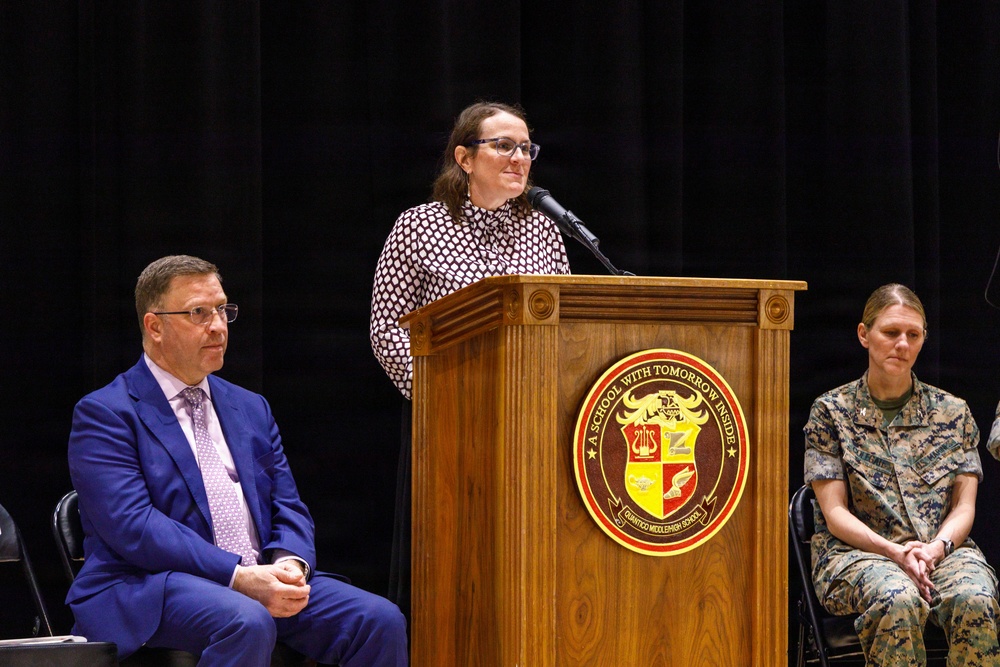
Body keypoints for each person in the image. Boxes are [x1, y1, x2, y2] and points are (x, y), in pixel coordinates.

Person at [67, 255, 407, 666]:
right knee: (245, 621)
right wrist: (237, 577)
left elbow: (288, 504)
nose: (218, 326)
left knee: (378, 619)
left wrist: (289, 563)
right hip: (149, 585)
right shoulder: (106, 412)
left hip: (259, 575)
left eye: (222, 310)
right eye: (198, 313)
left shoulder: (250, 407)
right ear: (154, 326)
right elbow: (134, 527)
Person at [370, 101, 571, 619]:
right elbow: (388, 330)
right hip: (452, 424)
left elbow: (568, 326)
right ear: (464, 157)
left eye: (526, 148)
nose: (519, 158)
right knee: (459, 564)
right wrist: (443, 398)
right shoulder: (420, 226)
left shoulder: (545, 229)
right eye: (503, 145)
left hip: (534, 425)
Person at [804, 283, 1000, 665]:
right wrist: (893, 551)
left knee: (975, 597)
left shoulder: (953, 413)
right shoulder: (831, 412)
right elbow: (835, 514)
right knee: (897, 596)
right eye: (891, 332)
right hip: (856, 554)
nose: (902, 344)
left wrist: (935, 549)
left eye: (913, 335)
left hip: (941, 551)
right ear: (864, 334)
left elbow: (964, 507)